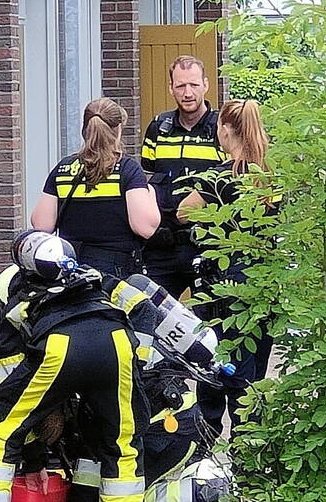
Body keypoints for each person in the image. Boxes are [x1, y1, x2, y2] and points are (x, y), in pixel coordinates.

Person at [0, 231, 150, 502]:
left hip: (61, 347)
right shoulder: (97, 276)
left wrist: (31, 455)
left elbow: (8, 367)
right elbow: (143, 308)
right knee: (123, 439)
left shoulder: (17, 292)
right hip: (117, 345)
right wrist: (137, 363)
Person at [177, 99, 276, 443]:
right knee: (252, 374)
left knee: (215, 368)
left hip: (222, 286)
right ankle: (249, 452)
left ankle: (206, 449)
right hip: (264, 285)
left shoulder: (220, 178)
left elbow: (183, 213)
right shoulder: (270, 178)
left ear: (225, 129)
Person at [31, 98, 159, 278]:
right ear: (118, 130)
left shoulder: (64, 169)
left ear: (85, 130)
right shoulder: (127, 169)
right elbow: (146, 227)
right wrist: (151, 194)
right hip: (115, 272)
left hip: (71, 269)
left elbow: (42, 225)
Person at [141, 56, 226, 297]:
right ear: (171, 88)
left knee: (211, 320)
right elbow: (146, 180)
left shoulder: (222, 129)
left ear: (206, 85)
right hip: (162, 247)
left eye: (194, 85)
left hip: (208, 244)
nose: (187, 93)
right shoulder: (159, 127)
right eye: (180, 86)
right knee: (151, 315)